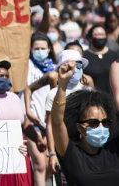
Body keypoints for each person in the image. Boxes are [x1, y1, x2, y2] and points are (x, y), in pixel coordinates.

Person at [51, 65, 119, 184]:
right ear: (79, 127)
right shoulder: (71, 152)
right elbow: (57, 122)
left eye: (105, 122)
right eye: (93, 123)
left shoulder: (114, 148)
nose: (101, 127)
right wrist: (62, 85)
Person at [0, 61, 39, 186]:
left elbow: (23, 122)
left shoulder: (14, 97)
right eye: (0, 76)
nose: (4, 79)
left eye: (6, 76)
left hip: (19, 151)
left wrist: (38, 140)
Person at [44, 49, 93, 184]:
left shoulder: (88, 91)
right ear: (62, 69)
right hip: (63, 150)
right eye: (71, 66)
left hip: (87, 149)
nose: (75, 70)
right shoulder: (53, 94)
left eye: (78, 66)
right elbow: (50, 125)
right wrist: (52, 153)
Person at [22, 33, 57, 186]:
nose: (40, 51)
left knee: (51, 164)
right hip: (32, 120)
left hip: (50, 122)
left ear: (49, 49)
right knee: (40, 164)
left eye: (43, 48)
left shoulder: (55, 68)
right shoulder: (26, 66)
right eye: (36, 48)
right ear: (30, 49)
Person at [83, 24, 119, 93]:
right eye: (96, 34)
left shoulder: (114, 55)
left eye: (102, 34)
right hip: (92, 99)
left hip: (112, 99)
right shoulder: (84, 57)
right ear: (90, 37)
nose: (100, 37)